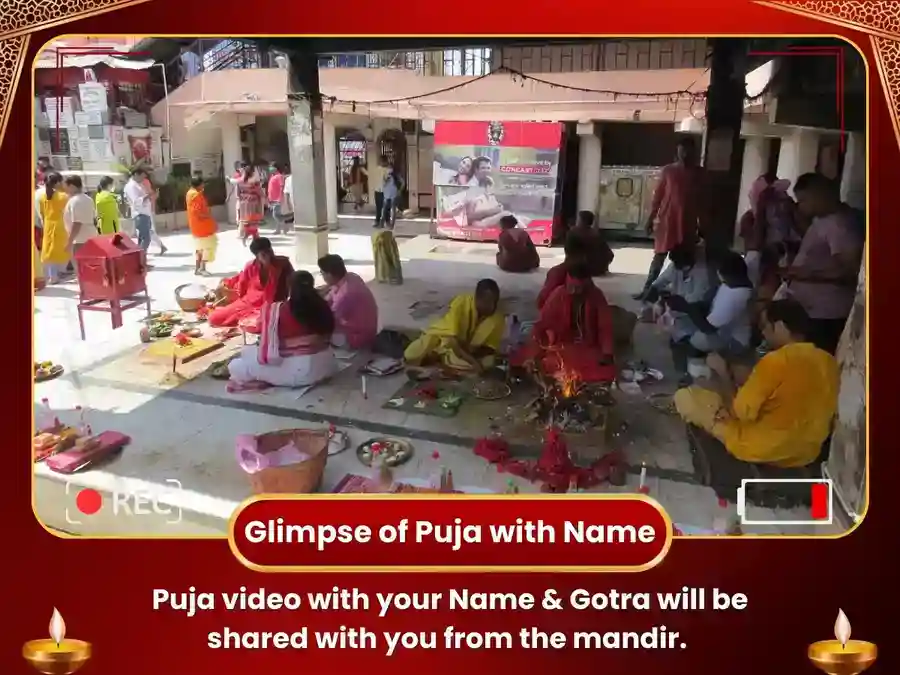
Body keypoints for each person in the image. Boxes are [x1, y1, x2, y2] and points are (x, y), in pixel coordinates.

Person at [674, 299, 839, 468]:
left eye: (765, 327)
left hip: (759, 448)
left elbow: (739, 413)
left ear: (780, 326)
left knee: (687, 397)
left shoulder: (777, 361)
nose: (764, 334)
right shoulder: (829, 361)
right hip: (805, 453)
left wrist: (722, 373)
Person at [785, 172, 864, 354]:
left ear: (819, 195)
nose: (800, 206)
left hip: (825, 313)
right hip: (811, 309)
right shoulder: (822, 219)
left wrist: (806, 274)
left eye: (804, 200)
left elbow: (851, 271)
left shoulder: (839, 225)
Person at [227, 271, 339, 388]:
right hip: (328, 365)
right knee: (247, 352)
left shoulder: (278, 310)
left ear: (290, 288)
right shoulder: (323, 305)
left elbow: (266, 345)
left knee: (236, 365)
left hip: (302, 373)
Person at [512, 261, 616, 383]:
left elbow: (605, 326)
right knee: (538, 362)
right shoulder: (558, 294)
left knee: (604, 368)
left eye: (580, 289)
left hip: (587, 346)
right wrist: (533, 353)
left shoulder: (596, 296)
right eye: (573, 288)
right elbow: (541, 325)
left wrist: (607, 353)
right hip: (561, 344)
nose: (576, 293)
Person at [636, 137, 707, 299]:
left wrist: (703, 224)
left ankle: (683, 292)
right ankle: (648, 290)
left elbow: (704, 200)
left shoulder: (700, 173)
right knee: (658, 258)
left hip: (688, 223)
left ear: (694, 152)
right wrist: (650, 219)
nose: (684, 154)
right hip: (667, 222)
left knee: (687, 260)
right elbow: (658, 197)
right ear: (677, 152)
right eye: (681, 151)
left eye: (687, 151)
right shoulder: (668, 171)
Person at [645, 244, 718, 381]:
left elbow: (693, 303)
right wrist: (654, 300)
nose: (677, 267)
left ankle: (691, 375)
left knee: (689, 345)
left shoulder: (703, 274)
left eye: (680, 264)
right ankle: (682, 373)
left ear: (690, 261)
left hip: (699, 315)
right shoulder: (675, 267)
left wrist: (671, 301)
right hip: (680, 315)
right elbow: (657, 284)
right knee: (676, 342)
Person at [404, 279, 505, 373]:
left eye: (495, 302)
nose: (492, 306)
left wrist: (474, 356)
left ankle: (440, 359)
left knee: (488, 362)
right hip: (442, 340)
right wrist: (473, 362)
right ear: (477, 298)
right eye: (487, 303)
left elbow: (490, 348)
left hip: (464, 352)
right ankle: (438, 357)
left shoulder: (498, 318)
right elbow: (453, 342)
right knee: (411, 354)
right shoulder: (461, 302)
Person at [665, 250, 754, 357]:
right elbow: (711, 305)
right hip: (722, 328)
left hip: (734, 342)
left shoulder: (736, 297)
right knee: (684, 323)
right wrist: (691, 306)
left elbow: (708, 328)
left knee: (694, 341)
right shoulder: (733, 283)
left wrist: (687, 307)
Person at [209, 237, 294, 332]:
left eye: (270, 251)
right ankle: (244, 319)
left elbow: (293, 284)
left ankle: (249, 320)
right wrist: (239, 302)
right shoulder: (250, 266)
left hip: (272, 306)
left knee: (263, 324)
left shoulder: (283, 264)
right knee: (214, 318)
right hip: (248, 303)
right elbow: (242, 287)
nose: (269, 256)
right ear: (257, 256)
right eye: (264, 254)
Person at [739, 172, 798, 288]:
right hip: (762, 271)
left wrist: (792, 210)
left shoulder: (786, 211)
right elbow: (755, 247)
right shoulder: (749, 218)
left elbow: (798, 237)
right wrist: (761, 210)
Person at [318, 254, 379, 349]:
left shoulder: (346, 295)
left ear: (329, 274)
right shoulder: (351, 277)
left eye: (322, 273)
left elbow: (330, 319)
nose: (323, 277)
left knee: (317, 332)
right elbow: (330, 293)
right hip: (368, 328)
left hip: (359, 336)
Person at [37, 173, 69, 285]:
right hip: (60, 225)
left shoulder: (42, 197)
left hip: (48, 225)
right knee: (65, 250)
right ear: (57, 183)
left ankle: (53, 276)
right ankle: (61, 272)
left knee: (50, 252)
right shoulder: (63, 196)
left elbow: (41, 213)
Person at [186, 176, 218, 276]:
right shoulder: (196, 195)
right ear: (199, 184)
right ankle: (202, 268)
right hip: (203, 227)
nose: (204, 185)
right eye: (202, 183)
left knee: (199, 248)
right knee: (209, 246)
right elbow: (197, 212)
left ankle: (197, 269)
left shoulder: (189, 193)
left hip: (196, 226)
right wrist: (208, 216)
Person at [62, 175, 96, 259]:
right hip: (89, 237)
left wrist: (69, 242)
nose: (65, 190)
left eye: (66, 187)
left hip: (80, 240)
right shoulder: (88, 199)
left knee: (80, 268)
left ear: (72, 186)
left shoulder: (75, 201)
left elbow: (77, 223)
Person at [571, 210, 614, 276]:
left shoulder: (574, 232)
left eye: (578, 219)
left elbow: (569, 252)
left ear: (581, 221)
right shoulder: (596, 234)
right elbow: (610, 254)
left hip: (582, 271)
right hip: (599, 270)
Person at [231, 162, 265, 245]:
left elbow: (237, 194)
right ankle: (255, 239)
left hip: (243, 204)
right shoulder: (254, 183)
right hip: (253, 204)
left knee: (247, 223)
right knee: (254, 223)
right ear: (252, 173)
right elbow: (261, 194)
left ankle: (248, 237)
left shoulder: (239, 182)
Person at [124, 169, 153, 251]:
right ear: (136, 174)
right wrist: (148, 196)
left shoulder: (138, 185)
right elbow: (136, 201)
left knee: (142, 239)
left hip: (145, 214)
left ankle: (142, 260)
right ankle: (141, 258)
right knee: (146, 239)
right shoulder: (131, 186)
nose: (143, 179)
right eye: (142, 176)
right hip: (140, 214)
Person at [141, 173, 167, 255]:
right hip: (148, 209)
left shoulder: (144, 182)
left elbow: (147, 195)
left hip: (147, 210)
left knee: (149, 230)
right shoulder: (148, 182)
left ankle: (160, 246)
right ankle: (145, 250)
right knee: (148, 230)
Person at [379, 165, 404, 230]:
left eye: (390, 168)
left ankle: (391, 225)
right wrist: (386, 180)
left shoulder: (396, 175)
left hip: (393, 194)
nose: (389, 170)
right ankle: (383, 222)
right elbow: (382, 184)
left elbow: (403, 182)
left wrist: (399, 190)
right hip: (387, 194)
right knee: (385, 209)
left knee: (393, 210)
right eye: (388, 168)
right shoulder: (385, 176)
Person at [267, 164, 287, 234]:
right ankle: (279, 229)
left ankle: (284, 227)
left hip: (277, 199)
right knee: (278, 214)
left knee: (275, 215)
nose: (270, 168)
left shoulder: (279, 176)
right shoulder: (272, 176)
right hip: (272, 199)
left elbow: (282, 187)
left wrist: (280, 198)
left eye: (271, 167)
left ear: (275, 168)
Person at [372, 156, 388, 228]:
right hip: (379, 191)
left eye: (383, 161)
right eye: (381, 161)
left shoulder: (386, 170)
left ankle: (382, 221)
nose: (382, 162)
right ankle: (379, 221)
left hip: (382, 191)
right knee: (380, 207)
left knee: (383, 207)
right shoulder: (378, 170)